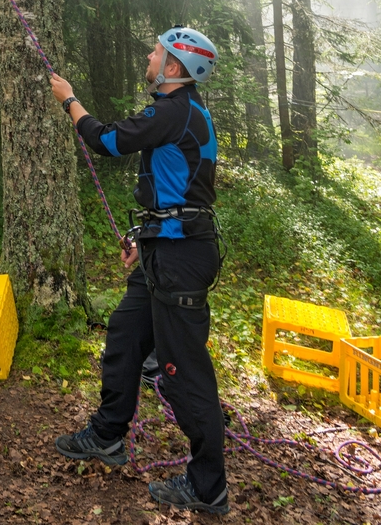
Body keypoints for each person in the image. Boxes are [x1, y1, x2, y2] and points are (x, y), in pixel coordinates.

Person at [50, 27, 229, 517]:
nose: (149, 57)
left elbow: (106, 140)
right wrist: (143, 236)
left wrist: (70, 101)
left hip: (181, 259)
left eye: (156, 52)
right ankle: (107, 436)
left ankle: (208, 484)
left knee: (181, 371)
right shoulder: (182, 113)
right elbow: (178, 189)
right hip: (164, 249)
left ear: (173, 68)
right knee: (127, 336)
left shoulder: (173, 111)